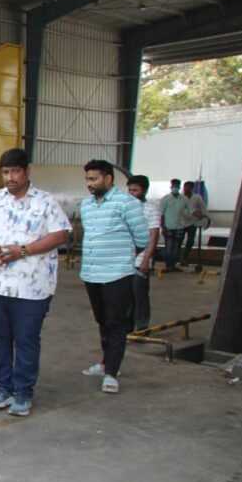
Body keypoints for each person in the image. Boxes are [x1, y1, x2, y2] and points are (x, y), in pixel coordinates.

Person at [0, 149, 71, 417]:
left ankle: (23, 392)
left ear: (27, 172)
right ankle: (3, 388)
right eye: (5, 172)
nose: (9, 177)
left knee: (26, 339)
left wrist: (22, 250)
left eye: (14, 171)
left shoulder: (46, 202)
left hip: (32, 289)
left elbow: (60, 234)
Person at [79, 160, 149, 395]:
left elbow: (142, 239)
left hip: (117, 274)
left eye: (94, 179)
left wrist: (122, 258)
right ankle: (107, 362)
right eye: (87, 179)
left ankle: (112, 373)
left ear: (108, 179)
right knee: (102, 320)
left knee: (116, 322)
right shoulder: (86, 206)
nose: (89, 184)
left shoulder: (127, 203)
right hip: (91, 273)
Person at [126, 175, 160, 332]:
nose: (132, 193)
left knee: (139, 295)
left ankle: (142, 326)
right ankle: (127, 326)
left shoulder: (151, 210)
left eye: (135, 190)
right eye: (130, 190)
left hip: (141, 260)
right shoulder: (125, 209)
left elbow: (153, 237)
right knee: (125, 296)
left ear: (144, 191)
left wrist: (146, 259)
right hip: (124, 260)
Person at [159, 178, 188, 272]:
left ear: (179, 187)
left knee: (177, 248)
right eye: (174, 186)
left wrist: (202, 216)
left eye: (177, 186)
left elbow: (191, 210)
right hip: (168, 226)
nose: (175, 188)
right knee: (169, 247)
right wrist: (162, 227)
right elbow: (161, 214)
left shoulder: (184, 199)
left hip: (179, 226)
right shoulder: (165, 199)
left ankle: (173, 265)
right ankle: (168, 266)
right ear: (171, 187)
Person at [180, 180, 208, 266]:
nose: (186, 189)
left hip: (192, 222)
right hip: (181, 222)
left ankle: (185, 258)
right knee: (179, 241)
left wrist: (205, 217)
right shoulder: (180, 197)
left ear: (192, 188)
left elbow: (203, 208)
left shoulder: (197, 197)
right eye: (185, 187)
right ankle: (176, 259)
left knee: (190, 242)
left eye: (189, 187)